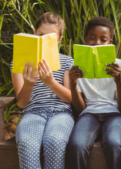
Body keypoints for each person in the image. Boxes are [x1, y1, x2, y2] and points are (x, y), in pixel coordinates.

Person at [11, 12, 74, 169]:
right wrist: (29, 84)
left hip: (62, 112)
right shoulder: (18, 63)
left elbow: (70, 98)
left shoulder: (67, 61)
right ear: (34, 33)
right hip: (33, 111)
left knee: (55, 141)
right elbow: (21, 103)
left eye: (50, 37)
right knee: (26, 143)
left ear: (59, 40)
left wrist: (51, 82)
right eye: (40, 35)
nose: (43, 39)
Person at [67, 16, 121, 169]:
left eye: (103, 40)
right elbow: (80, 108)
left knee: (115, 144)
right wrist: (73, 85)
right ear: (85, 39)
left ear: (110, 42)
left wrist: (119, 81)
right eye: (92, 38)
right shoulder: (78, 67)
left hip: (115, 114)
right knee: (77, 145)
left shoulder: (120, 65)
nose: (97, 43)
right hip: (89, 113)